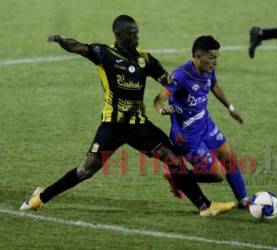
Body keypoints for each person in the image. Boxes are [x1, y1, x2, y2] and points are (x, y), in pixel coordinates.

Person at [20, 15, 235, 216]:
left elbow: (169, 83)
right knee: (86, 170)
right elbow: (79, 47)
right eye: (131, 34)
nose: (136, 37)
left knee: (173, 159)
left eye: (137, 33)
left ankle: (205, 206)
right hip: (112, 126)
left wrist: (183, 89)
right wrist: (62, 40)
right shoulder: (105, 54)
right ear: (119, 36)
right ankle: (41, 196)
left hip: (139, 126)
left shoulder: (144, 59)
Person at [154, 35, 249, 208]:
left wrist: (231, 108)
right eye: (212, 58)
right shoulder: (180, 76)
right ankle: (178, 177)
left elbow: (213, 85)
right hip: (187, 137)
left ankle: (244, 202)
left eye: (217, 58)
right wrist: (162, 109)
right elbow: (158, 99)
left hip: (206, 125)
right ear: (198, 56)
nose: (215, 63)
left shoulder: (208, 69)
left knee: (229, 160)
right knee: (218, 175)